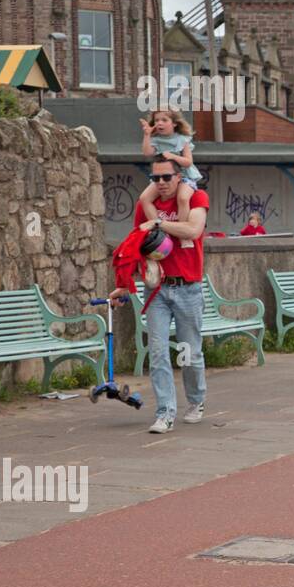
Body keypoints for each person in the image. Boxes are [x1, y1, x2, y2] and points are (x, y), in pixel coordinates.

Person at [108, 159, 210, 434]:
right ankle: (165, 412)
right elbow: (134, 245)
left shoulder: (196, 197)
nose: (161, 183)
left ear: (179, 177)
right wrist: (123, 285)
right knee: (158, 352)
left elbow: (192, 230)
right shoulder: (146, 207)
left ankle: (196, 401)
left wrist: (159, 223)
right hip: (157, 290)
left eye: (167, 177)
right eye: (156, 178)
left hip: (188, 287)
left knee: (190, 352)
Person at [138, 109, 200, 234]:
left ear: (174, 123)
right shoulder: (156, 140)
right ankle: (158, 228)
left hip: (184, 176)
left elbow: (188, 162)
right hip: (164, 177)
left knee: (182, 198)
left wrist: (173, 156)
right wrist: (147, 135)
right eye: (157, 120)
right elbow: (147, 153)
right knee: (144, 198)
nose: (160, 123)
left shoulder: (182, 139)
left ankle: (183, 234)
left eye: (164, 120)